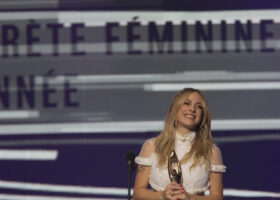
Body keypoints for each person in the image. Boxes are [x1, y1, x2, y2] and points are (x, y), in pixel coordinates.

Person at [133, 88, 226, 200]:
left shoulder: (211, 151)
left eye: (199, 106)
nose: (192, 109)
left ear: (203, 115)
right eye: (187, 103)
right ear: (175, 108)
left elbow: (217, 197)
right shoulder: (152, 146)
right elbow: (138, 194)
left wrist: (190, 198)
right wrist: (162, 195)